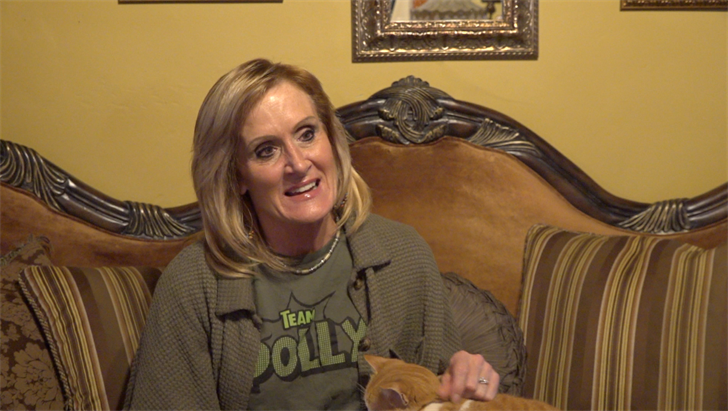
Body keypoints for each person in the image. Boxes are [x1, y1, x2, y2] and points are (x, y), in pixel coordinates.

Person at [123, 59, 500, 410]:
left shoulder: (404, 254)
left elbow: (448, 395)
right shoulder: (194, 284)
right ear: (236, 176)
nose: (298, 163)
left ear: (331, 140)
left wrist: (475, 379)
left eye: (307, 134)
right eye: (266, 150)